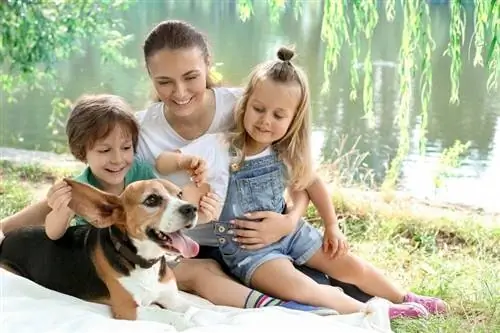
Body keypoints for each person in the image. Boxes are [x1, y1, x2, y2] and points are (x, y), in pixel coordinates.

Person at [0, 19, 369, 310]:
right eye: (164, 81)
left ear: (208, 64)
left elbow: (299, 173)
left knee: (339, 267)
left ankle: (392, 300)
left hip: (254, 238)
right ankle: (280, 303)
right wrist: (7, 227)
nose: (179, 92)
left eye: (191, 76)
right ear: (150, 79)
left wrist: (289, 220)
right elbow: (95, 188)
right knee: (205, 273)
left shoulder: (244, 107)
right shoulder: (137, 133)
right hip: (182, 245)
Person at [154, 46, 449, 320]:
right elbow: (162, 162)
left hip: (293, 234)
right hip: (249, 250)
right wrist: (183, 162)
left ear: (293, 119)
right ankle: (372, 312)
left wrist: (331, 225)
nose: (265, 121)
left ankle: (403, 296)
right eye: (258, 109)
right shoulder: (219, 146)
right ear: (245, 104)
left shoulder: (285, 150)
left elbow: (312, 183)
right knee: (300, 287)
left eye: (278, 115)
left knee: (348, 264)